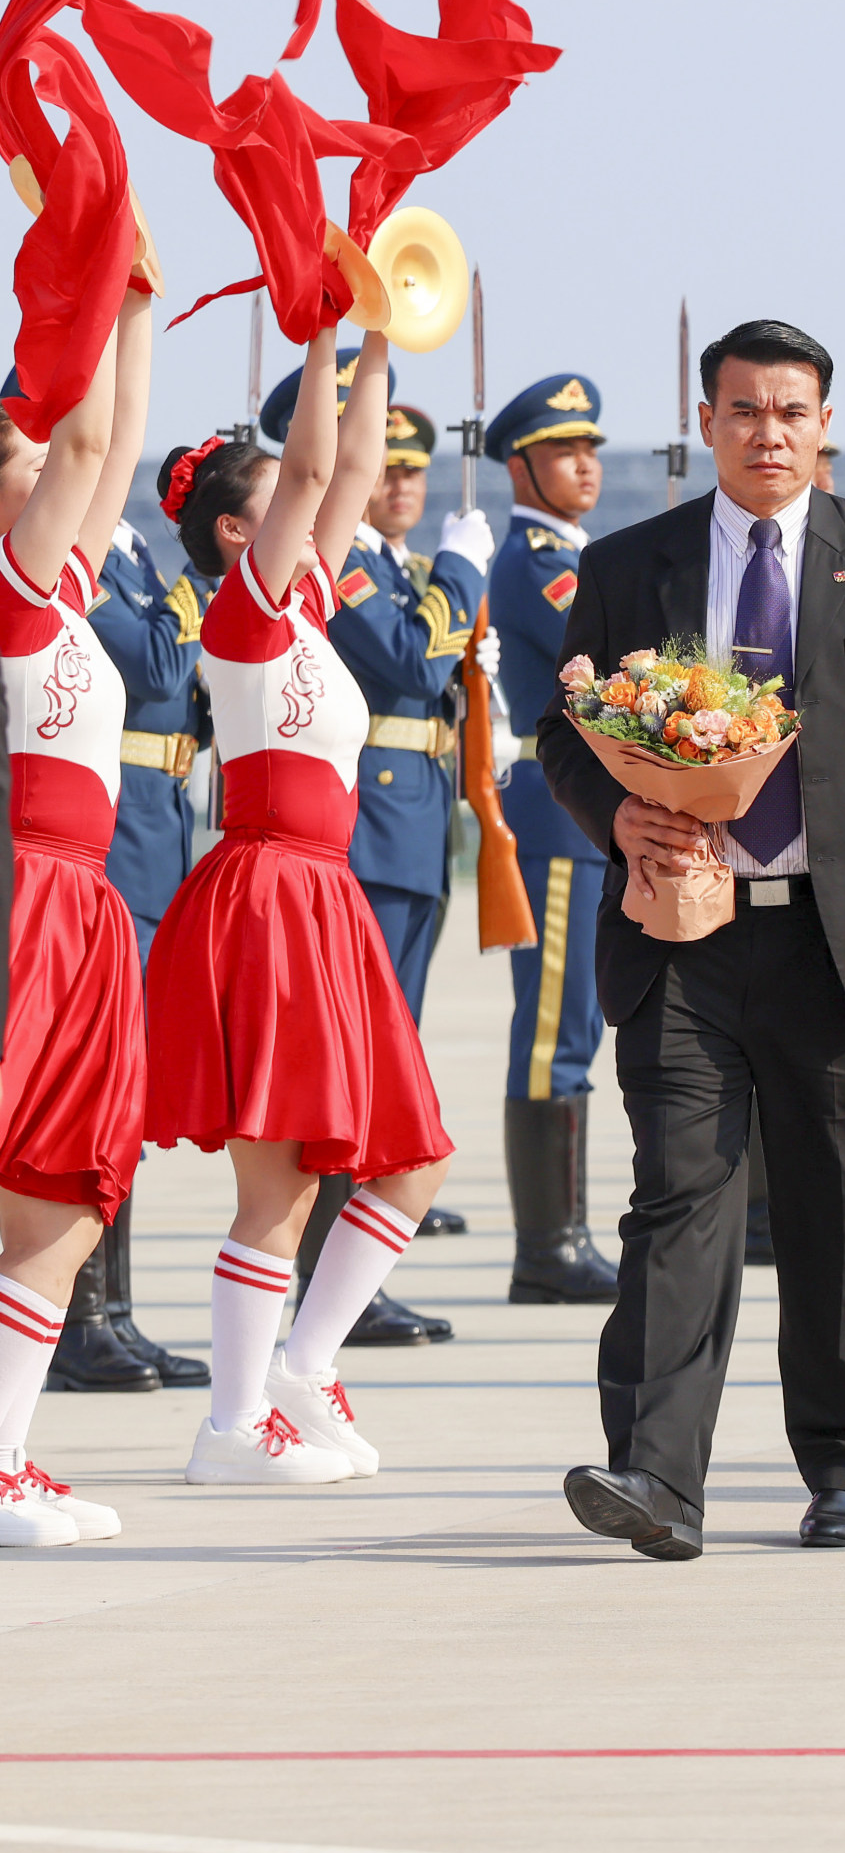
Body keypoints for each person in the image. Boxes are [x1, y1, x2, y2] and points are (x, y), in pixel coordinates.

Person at [540, 317, 845, 1560]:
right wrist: (615, 813)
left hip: (832, 943)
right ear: (707, 422)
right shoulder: (630, 564)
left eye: (792, 412)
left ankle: (844, 1466)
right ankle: (657, 1476)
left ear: (824, 427)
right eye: (744, 410)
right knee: (676, 1200)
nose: (768, 434)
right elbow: (558, 732)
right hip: (679, 934)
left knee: (834, 1210)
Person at [144, 330, 459, 1488]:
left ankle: (303, 1366)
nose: (314, 502)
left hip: (323, 897)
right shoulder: (244, 613)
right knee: (276, 1188)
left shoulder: (307, 613)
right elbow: (324, 468)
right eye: (281, 497)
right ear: (241, 533)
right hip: (271, 893)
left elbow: (352, 467)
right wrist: (319, 331)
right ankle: (232, 1425)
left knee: (409, 1159)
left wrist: (376, 335)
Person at [0, 288, 158, 1541]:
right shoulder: (10, 586)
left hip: (78, 901)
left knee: (64, 1189)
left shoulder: (56, 589)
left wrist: (137, 304)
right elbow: (92, 443)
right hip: (25, 894)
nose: (50, 457)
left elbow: (120, 442)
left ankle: (3, 1456)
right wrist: (95, 276)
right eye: (21, 445)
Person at [297, 376, 485, 1329]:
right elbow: (409, 658)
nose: (400, 482)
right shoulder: (342, 562)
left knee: (385, 1046)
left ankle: (354, 1274)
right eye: (383, 462)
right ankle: (334, 1284)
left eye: (413, 468)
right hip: (371, 826)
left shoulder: (390, 566)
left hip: (413, 821)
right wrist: (462, 575)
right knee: (353, 1055)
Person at [46, 442, 213, 1396]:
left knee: (123, 1095)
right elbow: (152, 665)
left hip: (154, 836)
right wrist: (196, 583)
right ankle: (80, 1322)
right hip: (110, 842)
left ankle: (112, 1313)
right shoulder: (74, 548)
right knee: (91, 1089)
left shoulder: (127, 550)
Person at [481, 370, 628, 1307]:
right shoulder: (538, 562)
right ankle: (547, 1246)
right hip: (556, 814)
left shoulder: (576, 553)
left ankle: (562, 1237)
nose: (585, 465)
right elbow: (602, 663)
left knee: (575, 1021)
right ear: (520, 468)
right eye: (563, 451)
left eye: (589, 449)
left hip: (585, 815)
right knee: (553, 1027)